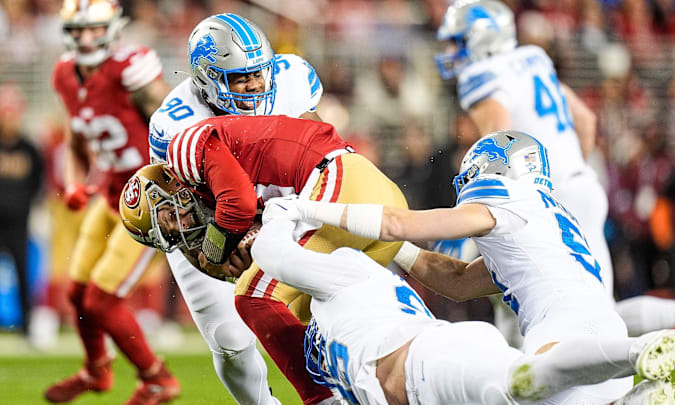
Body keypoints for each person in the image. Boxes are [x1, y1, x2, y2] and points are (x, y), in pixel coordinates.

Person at [273, 130, 641, 403]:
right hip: (604, 328)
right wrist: (395, 250)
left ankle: (644, 350)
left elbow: (398, 223)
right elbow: (460, 281)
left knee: (518, 393)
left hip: (562, 330)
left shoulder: (507, 198)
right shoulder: (543, 218)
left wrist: (310, 210)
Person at [434, 0, 675, 342]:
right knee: (597, 309)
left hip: (544, 201)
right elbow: (586, 119)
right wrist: (572, 169)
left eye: (457, 41)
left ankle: (526, 380)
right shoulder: (533, 60)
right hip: (582, 187)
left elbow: (500, 144)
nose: (450, 50)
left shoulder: (481, 76)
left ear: (482, 39)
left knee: (538, 306)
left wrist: (470, 216)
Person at [252, 207, 675, 405]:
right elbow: (452, 280)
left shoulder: (343, 268)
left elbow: (270, 255)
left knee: (522, 385)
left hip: (429, 366)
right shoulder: (349, 304)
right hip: (426, 379)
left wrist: (286, 212)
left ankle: (642, 350)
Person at [121, 115, 408, 404]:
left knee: (253, 296)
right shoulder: (220, 186)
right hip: (368, 198)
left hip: (343, 181)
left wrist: (214, 252)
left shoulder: (185, 149)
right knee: (318, 318)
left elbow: (239, 205)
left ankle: (324, 400)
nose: (183, 228)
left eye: (171, 216)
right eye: (172, 234)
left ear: (173, 185)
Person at [145, 13, 324, 404]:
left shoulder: (291, 79)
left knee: (327, 313)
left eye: (259, 72)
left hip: (286, 206)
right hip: (212, 223)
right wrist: (213, 255)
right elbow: (182, 213)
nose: (256, 84)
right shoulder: (177, 120)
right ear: (206, 77)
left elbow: (322, 153)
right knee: (229, 337)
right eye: (241, 77)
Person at [44, 1, 176, 404]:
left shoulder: (130, 72)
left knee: (102, 299)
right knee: (76, 291)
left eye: (94, 29)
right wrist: (74, 184)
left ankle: (157, 379)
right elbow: (76, 140)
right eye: (79, 31)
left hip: (148, 199)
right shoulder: (66, 74)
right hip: (110, 194)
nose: (86, 38)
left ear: (113, 29)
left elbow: (178, 125)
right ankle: (96, 369)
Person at [0, 83, 43, 338]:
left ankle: (27, 325)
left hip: (18, 222)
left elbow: (38, 182)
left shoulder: (29, 148)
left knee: (23, 272)